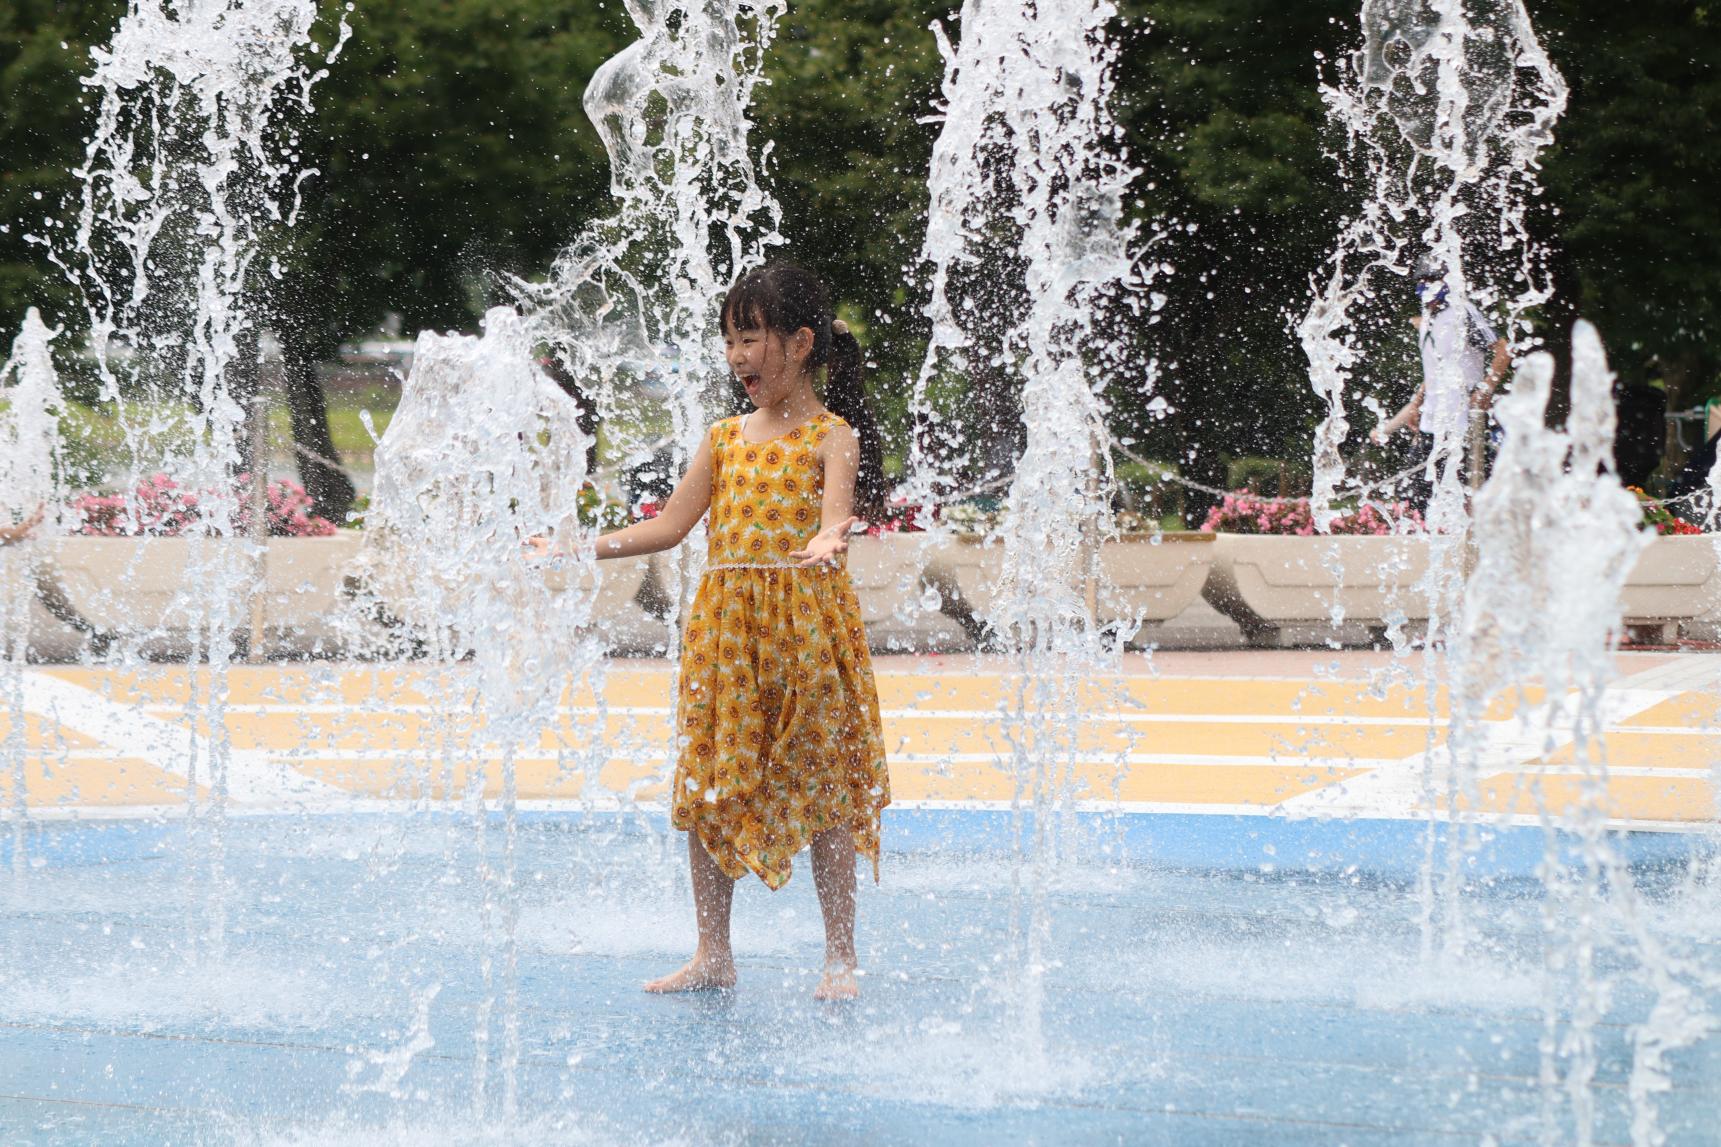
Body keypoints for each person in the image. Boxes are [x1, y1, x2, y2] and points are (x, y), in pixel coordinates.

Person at [528, 262, 890, 1000]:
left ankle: (840, 957)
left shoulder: (832, 436)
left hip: (804, 626)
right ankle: (713, 951)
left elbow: (834, 519)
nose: (737, 356)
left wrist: (828, 541)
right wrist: (575, 546)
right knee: (708, 780)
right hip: (726, 633)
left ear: (800, 343)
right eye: (729, 339)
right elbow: (667, 526)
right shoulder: (724, 438)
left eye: (751, 337)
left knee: (824, 788)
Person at [1369, 259, 1511, 497]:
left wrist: (1486, 388)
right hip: (1432, 423)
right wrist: (1416, 404)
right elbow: (1436, 372)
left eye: (1432, 281)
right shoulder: (1426, 322)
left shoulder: (1462, 312)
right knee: (1415, 493)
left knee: (1472, 490)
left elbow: (1503, 349)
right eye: (1422, 282)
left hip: (1463, 420)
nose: (1426, 288)